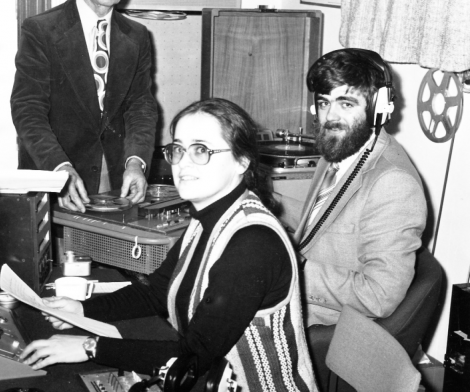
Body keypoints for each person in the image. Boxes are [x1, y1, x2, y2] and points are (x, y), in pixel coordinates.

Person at [20, 98, 318, 391]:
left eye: (201, 150)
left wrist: (88, 346)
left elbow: (194, 355)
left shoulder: (251, 242)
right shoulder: (207, 219)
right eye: (178, 149)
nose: (183, 163)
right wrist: (82, 309)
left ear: (242, 161)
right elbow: (156, 291)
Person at [293, 48, 426, 390]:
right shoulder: (339, 151)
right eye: (324, 102)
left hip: (322, 329)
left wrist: (291, 270)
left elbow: (380, 294)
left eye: (347, 103)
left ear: (379, 109)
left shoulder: (392, 182)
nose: (329, 116)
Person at [11, 0, 158, 212]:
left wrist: (136, 162)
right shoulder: (41, 30)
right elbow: (27, 109)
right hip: (54, 178)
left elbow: (141, 107)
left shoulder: (138, 37)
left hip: (115, 183)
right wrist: (59, 169)